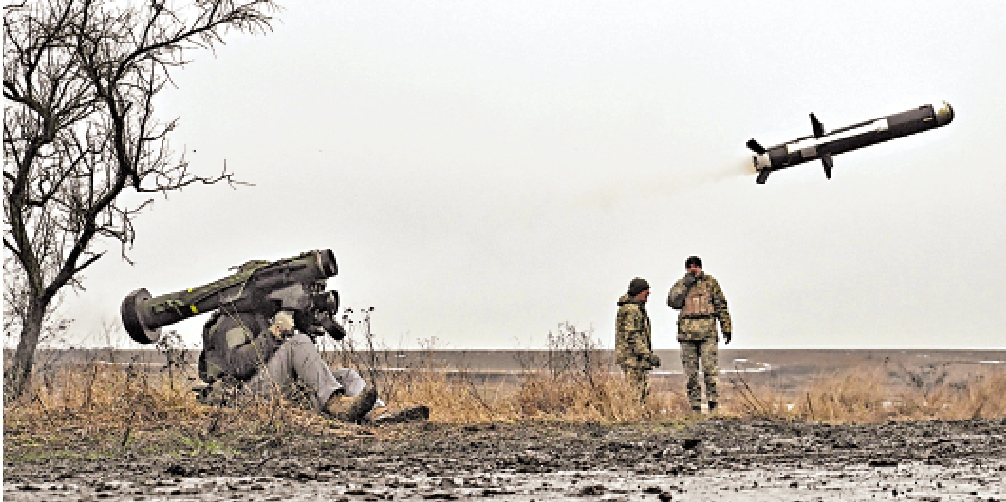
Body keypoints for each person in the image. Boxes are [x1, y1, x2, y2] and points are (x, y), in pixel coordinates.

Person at [666, 256, 732, 412]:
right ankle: (695, 406)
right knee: (691, 374)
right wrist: (685, 286)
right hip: (687, 336)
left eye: (695, 266)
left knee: (710, 371)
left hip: (708, 334)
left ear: (700, 267)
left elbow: (721, 306)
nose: (693, 269)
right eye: (690, 266)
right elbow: (672, 302)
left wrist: (726, 327)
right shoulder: (681, 284)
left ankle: (713, 405)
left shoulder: (711, 283)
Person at [615, 277, 661, 403]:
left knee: (642, 391)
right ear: (638, 292)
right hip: (633, 359)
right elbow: (633, 336)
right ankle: (634, 413)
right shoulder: (632, 310)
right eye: (646, 293)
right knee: (636, 392)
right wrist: (648, 355)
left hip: (635, 358)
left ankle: (638, 412)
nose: (647, 296)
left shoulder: (634, 308)